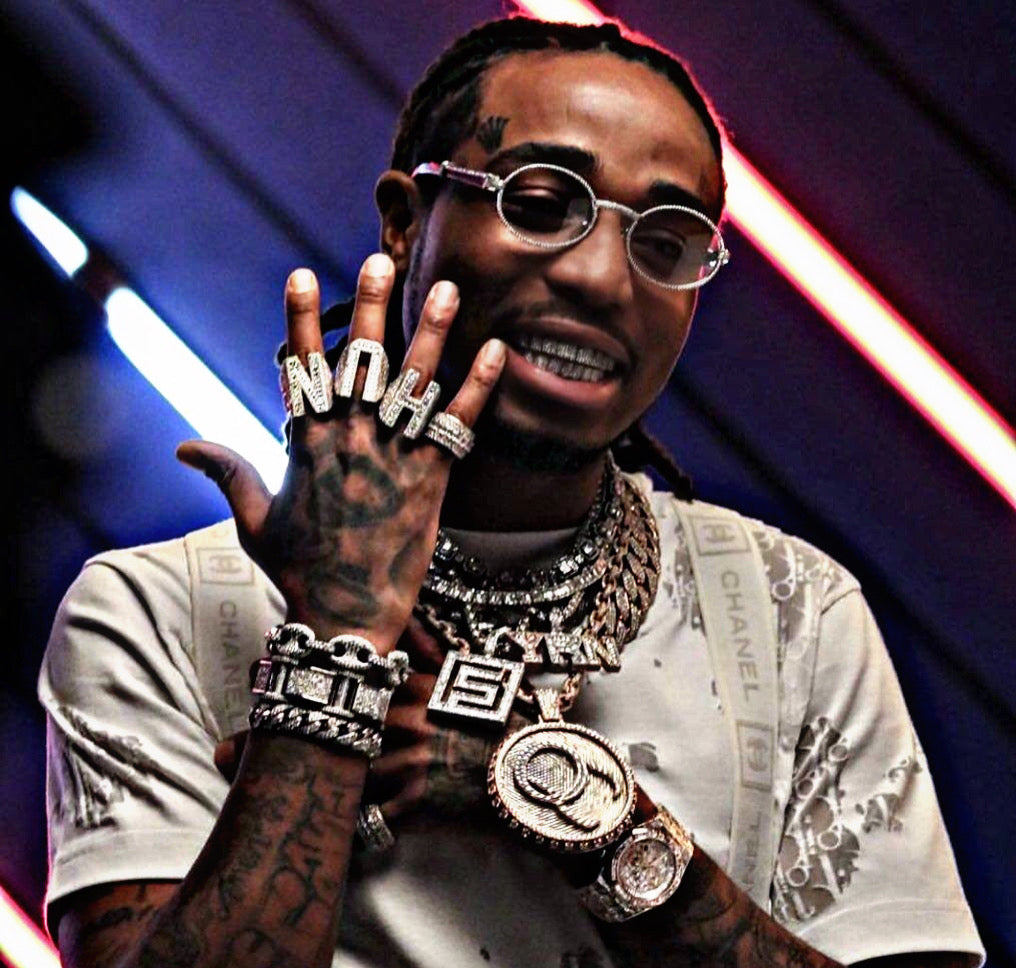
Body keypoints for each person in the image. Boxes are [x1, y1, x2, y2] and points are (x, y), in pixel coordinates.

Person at [38, 15, 984, 968]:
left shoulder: (795, 612)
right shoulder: (157, 611)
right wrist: (336, 638)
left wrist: (556, 791)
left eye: (665, 241)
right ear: (406, 221)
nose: (601, 277)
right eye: (538, 203)